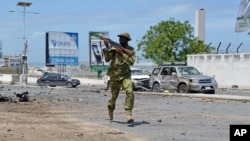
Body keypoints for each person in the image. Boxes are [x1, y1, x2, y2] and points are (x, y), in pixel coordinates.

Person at [102, 32, 136, 123]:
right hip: (114, 76)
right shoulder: (113, 48)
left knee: (130, 92)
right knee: (114, 96)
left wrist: (122, 53)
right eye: (120, 38)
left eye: (123, 38)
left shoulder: (131, 50)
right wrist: (107, 47)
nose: (120, 39)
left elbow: (131, 62)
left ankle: (129, 114)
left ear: (127, 40)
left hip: (125, 75)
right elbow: (107, 59)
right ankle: (110, 111)